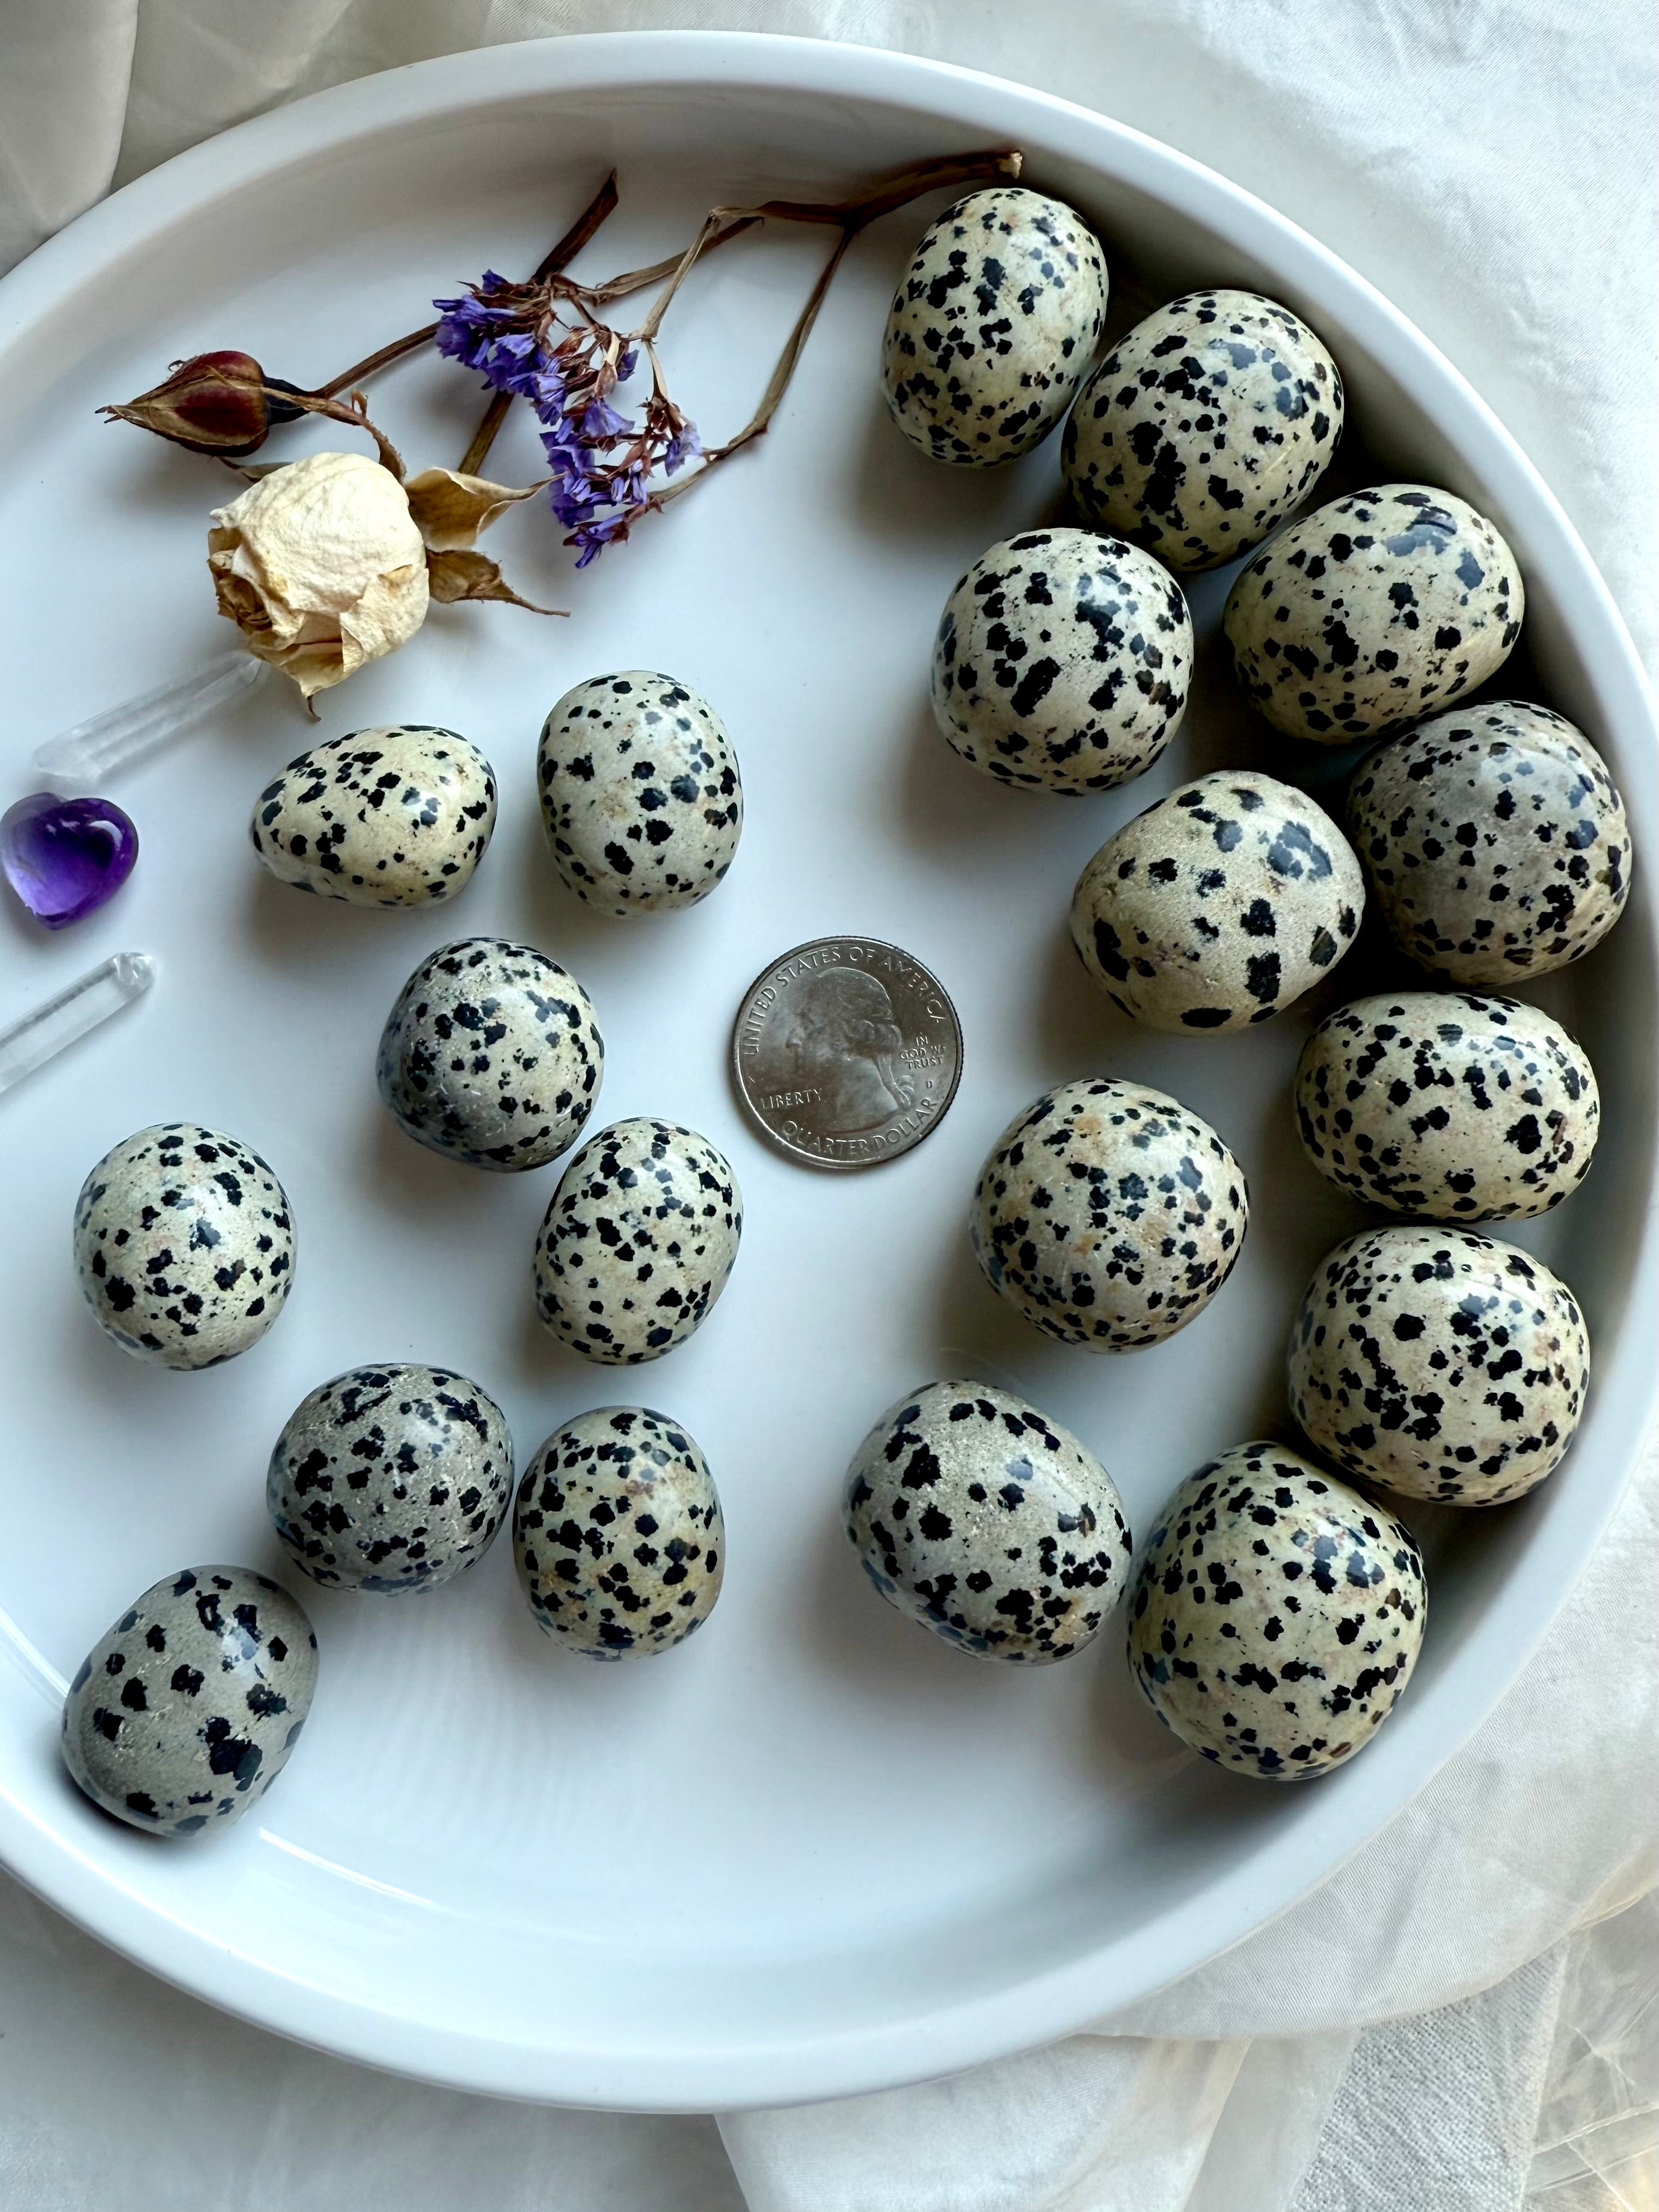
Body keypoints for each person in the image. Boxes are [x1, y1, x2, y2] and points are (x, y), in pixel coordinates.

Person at [772, 966, 912, 1132]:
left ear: (853, 1033)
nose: (792, 1041)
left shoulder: (866, 1113)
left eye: (809, 1024)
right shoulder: (830, 1112)